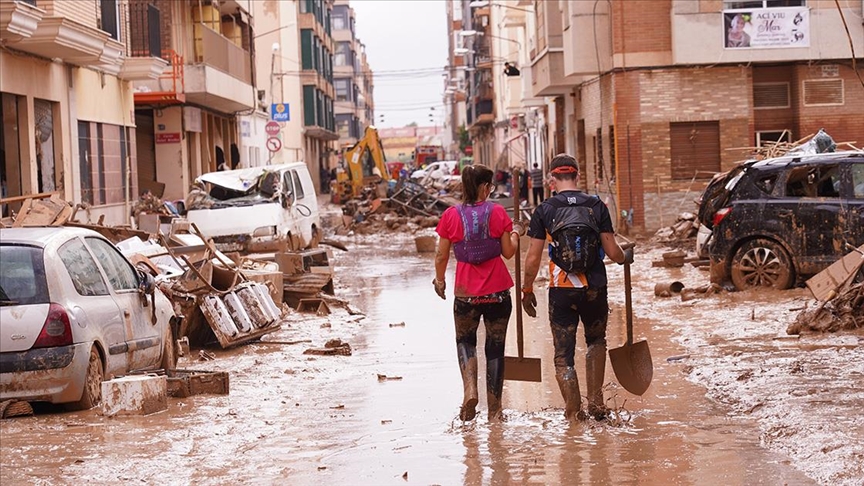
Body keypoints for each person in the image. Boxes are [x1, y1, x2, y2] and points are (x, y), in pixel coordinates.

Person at [520, 154, 633, 422]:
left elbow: (533, 257)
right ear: (578, 176)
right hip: (595, 287)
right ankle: (596, 404)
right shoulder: (597, 205)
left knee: (564, 354)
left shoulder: (545, 210)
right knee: (596, 342)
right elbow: (613, 252)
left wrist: (526, 290)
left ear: (551, 179)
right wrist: (626, 257)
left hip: (562, 290)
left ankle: (573, 413)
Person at [434, 164, 525, 422]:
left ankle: (470, 389)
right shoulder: (497, 212)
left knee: (465, 341)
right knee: (495, 348)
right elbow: (508, 252)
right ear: (485, 187)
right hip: (497, 292)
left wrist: (439, 280)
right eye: (491, 186)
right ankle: (495, 411)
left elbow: (441, 254)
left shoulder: (451, 215)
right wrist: (516, 232)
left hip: (465, 294)